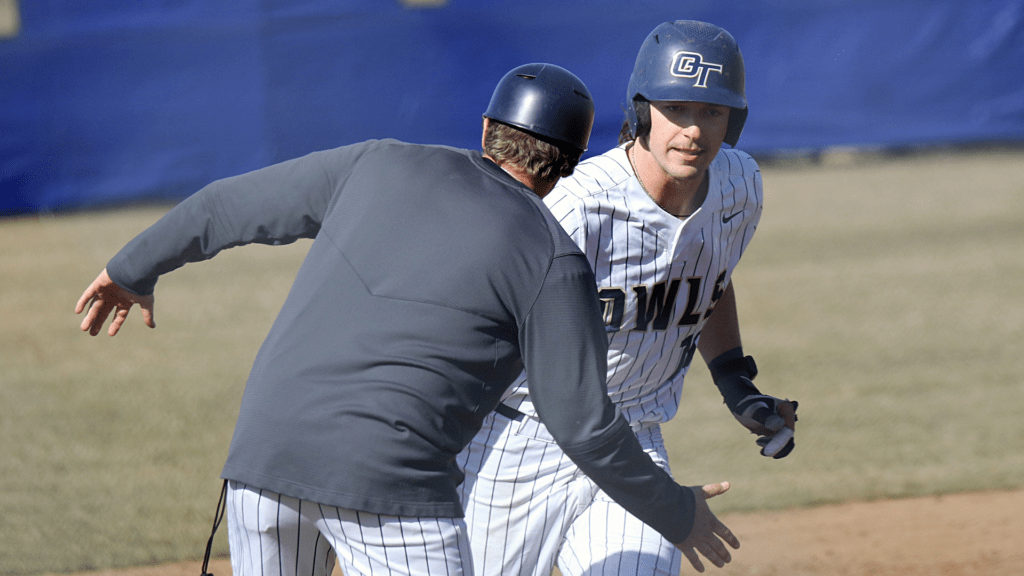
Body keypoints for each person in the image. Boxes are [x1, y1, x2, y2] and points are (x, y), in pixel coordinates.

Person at [74, 63, 738, 576]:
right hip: (391, 489)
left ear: (485, 130)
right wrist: (677, 512)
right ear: (567, 165)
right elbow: (584, 427)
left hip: (265, 461)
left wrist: (132, 269)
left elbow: (224, 206)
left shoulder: (376, 162)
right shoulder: (551, 257)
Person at [458, 21, 798, 576]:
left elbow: (708, 275)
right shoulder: (577, 206)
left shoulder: (740, 187)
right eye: (677, 109)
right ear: (642, 111)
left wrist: (737, 382)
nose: (693, 131)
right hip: (517, 441)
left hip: (634, 438)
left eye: (712, 112)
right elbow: (477, 315)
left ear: (733, 120)